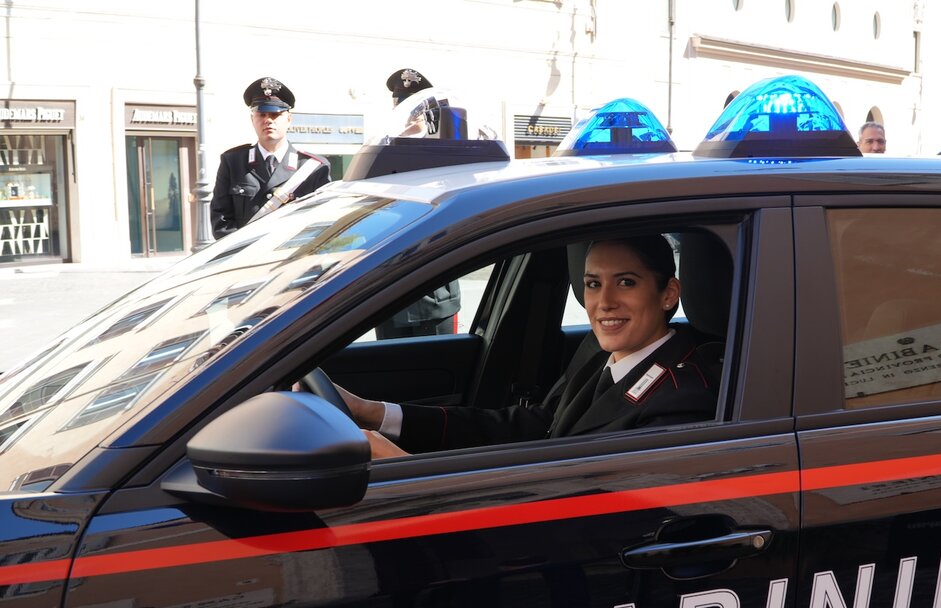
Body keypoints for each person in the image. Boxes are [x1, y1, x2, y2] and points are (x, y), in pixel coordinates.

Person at [339, 235, 720, 459]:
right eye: (592, 284)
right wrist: (372, 413)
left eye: (625, 283)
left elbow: (588, 511)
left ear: (668, 294)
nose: (604, 302)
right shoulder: (601, 353)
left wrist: (405, 471)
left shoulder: (681, 400)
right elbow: (538, 425)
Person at [374, 67, 461, 337]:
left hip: (434, 295)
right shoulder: (378, 153)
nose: (409, 115)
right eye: (402, 106)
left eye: (414, 107)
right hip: (389, 292)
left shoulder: (449, 152)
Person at [211, 77, 331, 238]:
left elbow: (320, 223)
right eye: (261, 114)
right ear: (252, 119)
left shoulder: (313, 167)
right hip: (244, 258)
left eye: (275, 115)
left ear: (289, 119)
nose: (268, 121)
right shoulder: (233, 162)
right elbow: (221, 219)